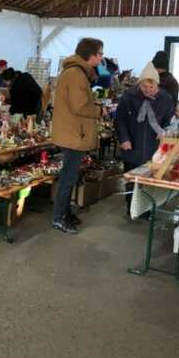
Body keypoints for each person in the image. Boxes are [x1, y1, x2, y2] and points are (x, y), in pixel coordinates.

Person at [52, 38, 105, 234]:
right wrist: (99, 111)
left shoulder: (77, 72)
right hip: (73, 134)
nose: (101, 58)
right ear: (90, 55)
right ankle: (59, 218)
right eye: (100, 54)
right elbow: (80, 106)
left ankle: (65, 213)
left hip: (74, 132)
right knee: (68, 178)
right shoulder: (75, 74)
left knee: (71, 176)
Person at [116, 62, 175, 213]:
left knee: (150, 179)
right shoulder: (128, 97)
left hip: (153, 147)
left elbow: (169, 122)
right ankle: (132, 208)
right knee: (132, 179)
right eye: (144, 87)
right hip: (132, 144)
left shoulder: (166, 99)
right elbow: (119, 119)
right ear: (139, 85)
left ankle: (147, 209)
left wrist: (164, 131)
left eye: (152, 88)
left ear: (157, 85)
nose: (148, 91)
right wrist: (124, 139)